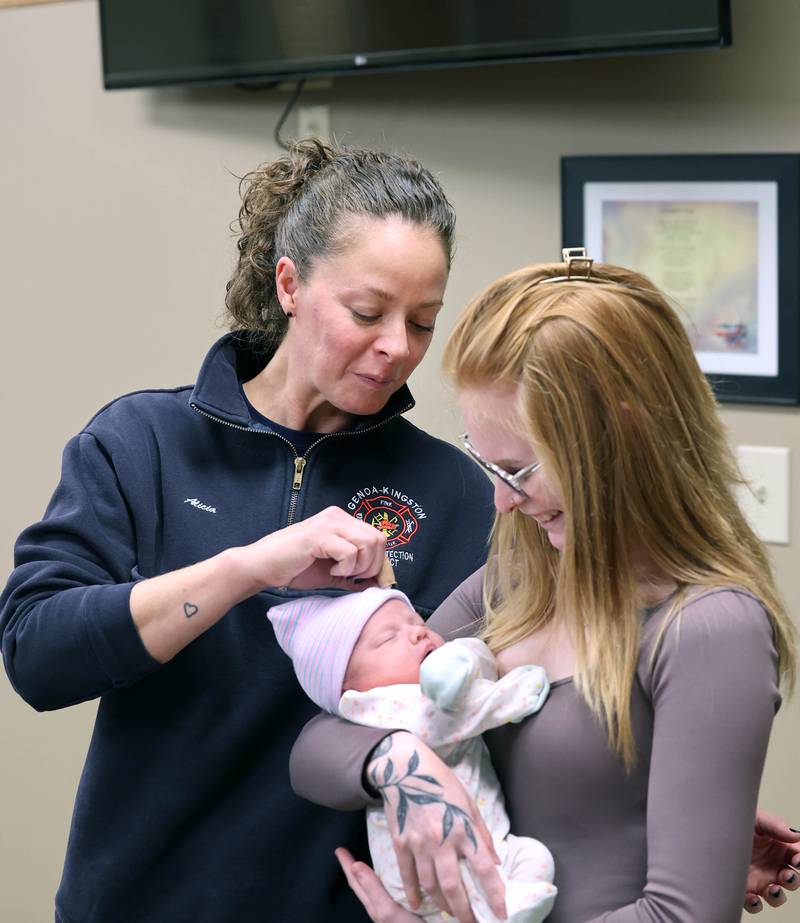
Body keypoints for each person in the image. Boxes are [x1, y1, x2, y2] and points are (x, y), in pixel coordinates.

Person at [0, 141, 497, 923]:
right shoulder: (142, 443)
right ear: (290, 284)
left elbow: (500, 706)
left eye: (422, 322)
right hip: (137, 901)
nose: (397, 346)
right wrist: (246, 567)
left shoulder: (454, 491)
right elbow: (38, 656)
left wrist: (658, 813)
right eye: (367, 313)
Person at [290, 251, 800, 923]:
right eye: (484, 462)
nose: (501, 502)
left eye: (518, 467)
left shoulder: (708, 627)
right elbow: (322, 744)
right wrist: (401, 758)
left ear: (621, 434)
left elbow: (682, 916)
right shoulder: (517, 578)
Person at [267, 586, 557, 923]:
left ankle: (514, 904)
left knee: (533, 858)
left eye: (416, 621)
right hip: (434, 865)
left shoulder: (402, 696)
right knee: (495, 878)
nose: (418, 631)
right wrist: (517, 691)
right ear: (347, 683)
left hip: (480, 850)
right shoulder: (383, 705)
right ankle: (503, 912)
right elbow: (460, 715)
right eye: (389, 638)